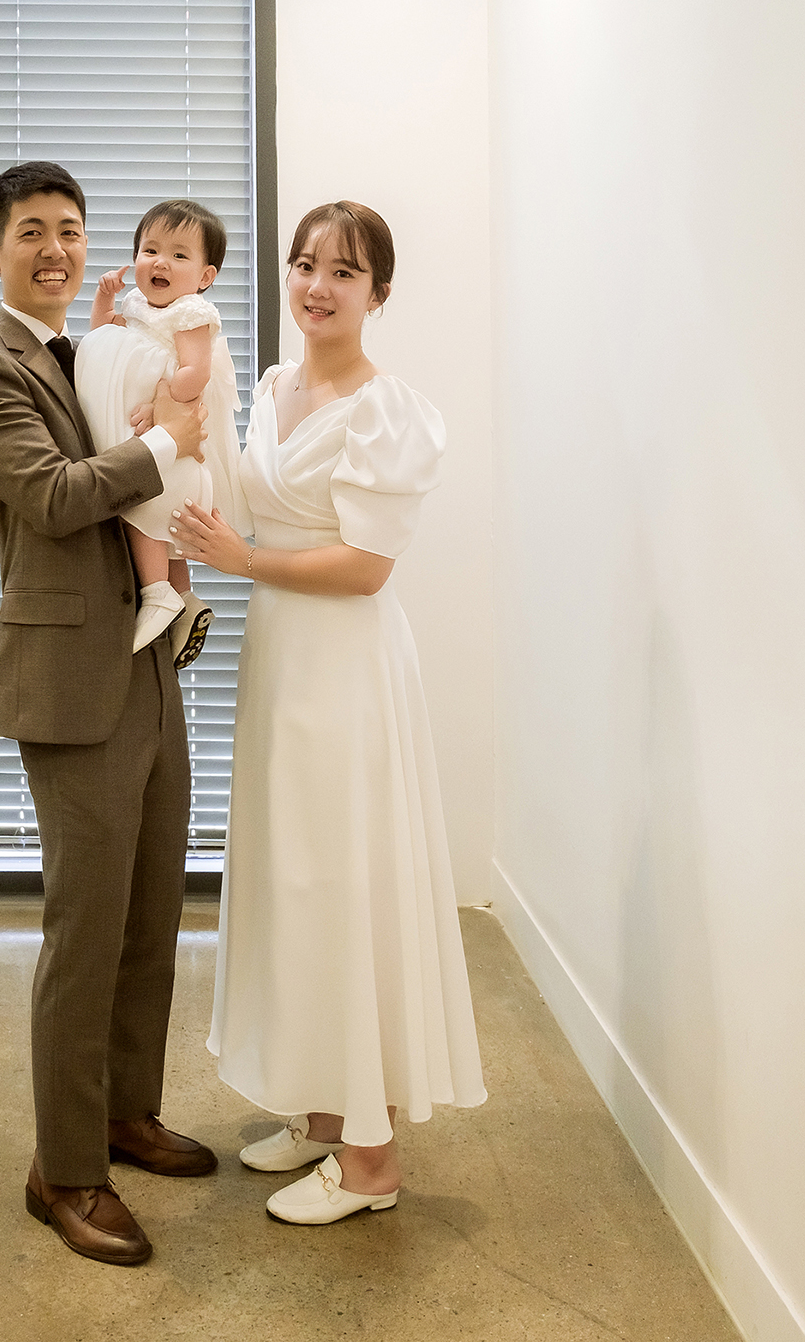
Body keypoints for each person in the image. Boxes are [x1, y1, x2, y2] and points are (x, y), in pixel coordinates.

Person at [169, 200, 486, 1227]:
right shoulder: (274, 386)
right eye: (306, 264)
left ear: (378, 294)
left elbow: (365, 567)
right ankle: (323, 1111)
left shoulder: (387, 410)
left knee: (345, 885)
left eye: (344, 272)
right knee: (296, 881)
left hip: (347, 667)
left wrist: (242, 560)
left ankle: (371, 1162)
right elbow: (242, 498)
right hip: (283, 663)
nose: (317, 286)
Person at [0, 161, 218, 1269]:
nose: (53, 248)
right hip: (67, 679)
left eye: (68, 228)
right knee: (86, 926)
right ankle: (62, 1169)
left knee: (152, 910)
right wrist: (169, 443)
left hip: (149, 662)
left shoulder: (104, 346)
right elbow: (58, 500)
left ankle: (124, 1111)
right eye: (30, 231)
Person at [75, 198, 252, 664]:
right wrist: (104, 298)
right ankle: (186, 600)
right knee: (167, 528)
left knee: (142, 512)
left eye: (178, 255)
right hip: (154, 440)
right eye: (150, 250)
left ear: (205, 276)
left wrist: (164, 400)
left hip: (172, 439)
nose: (160, 262)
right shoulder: (137, 305)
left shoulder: (190, 313)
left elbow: (197, 370)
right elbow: (101, 336)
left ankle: (157, 593)